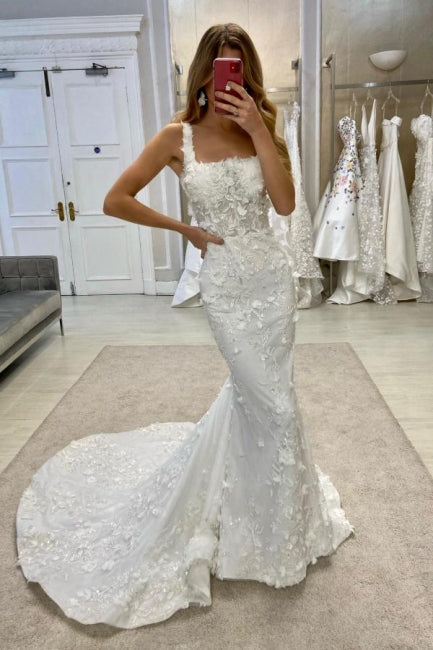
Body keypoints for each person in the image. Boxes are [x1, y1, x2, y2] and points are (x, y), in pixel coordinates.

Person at [15, 23, 355, 629]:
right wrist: (185, 230)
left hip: (270, 284)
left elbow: (284, 206)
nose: (230, 79)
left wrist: (258, 129)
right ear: (203, 73)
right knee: (270, 404)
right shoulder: (178, 137)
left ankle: (277, 520)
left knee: (269, 400)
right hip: (225, 287)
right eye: (222, 68)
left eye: (239, 68)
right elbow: (116, 199)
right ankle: (269, 531)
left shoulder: (262, 125)